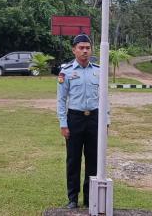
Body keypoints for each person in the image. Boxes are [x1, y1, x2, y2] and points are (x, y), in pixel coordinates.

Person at [56, 34, 104, 209]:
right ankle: (73, 199)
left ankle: (90, 198)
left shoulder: (99, 70)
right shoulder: (66, 71)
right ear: (74, 49)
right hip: (74, 119)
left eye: (88, 48)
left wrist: (106, 120)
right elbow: (61, 100)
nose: (85, 51)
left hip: (94, 118)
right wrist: (63, 123)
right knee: (73, 160)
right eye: (81, 48)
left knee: (93, 160)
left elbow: (105, 98)